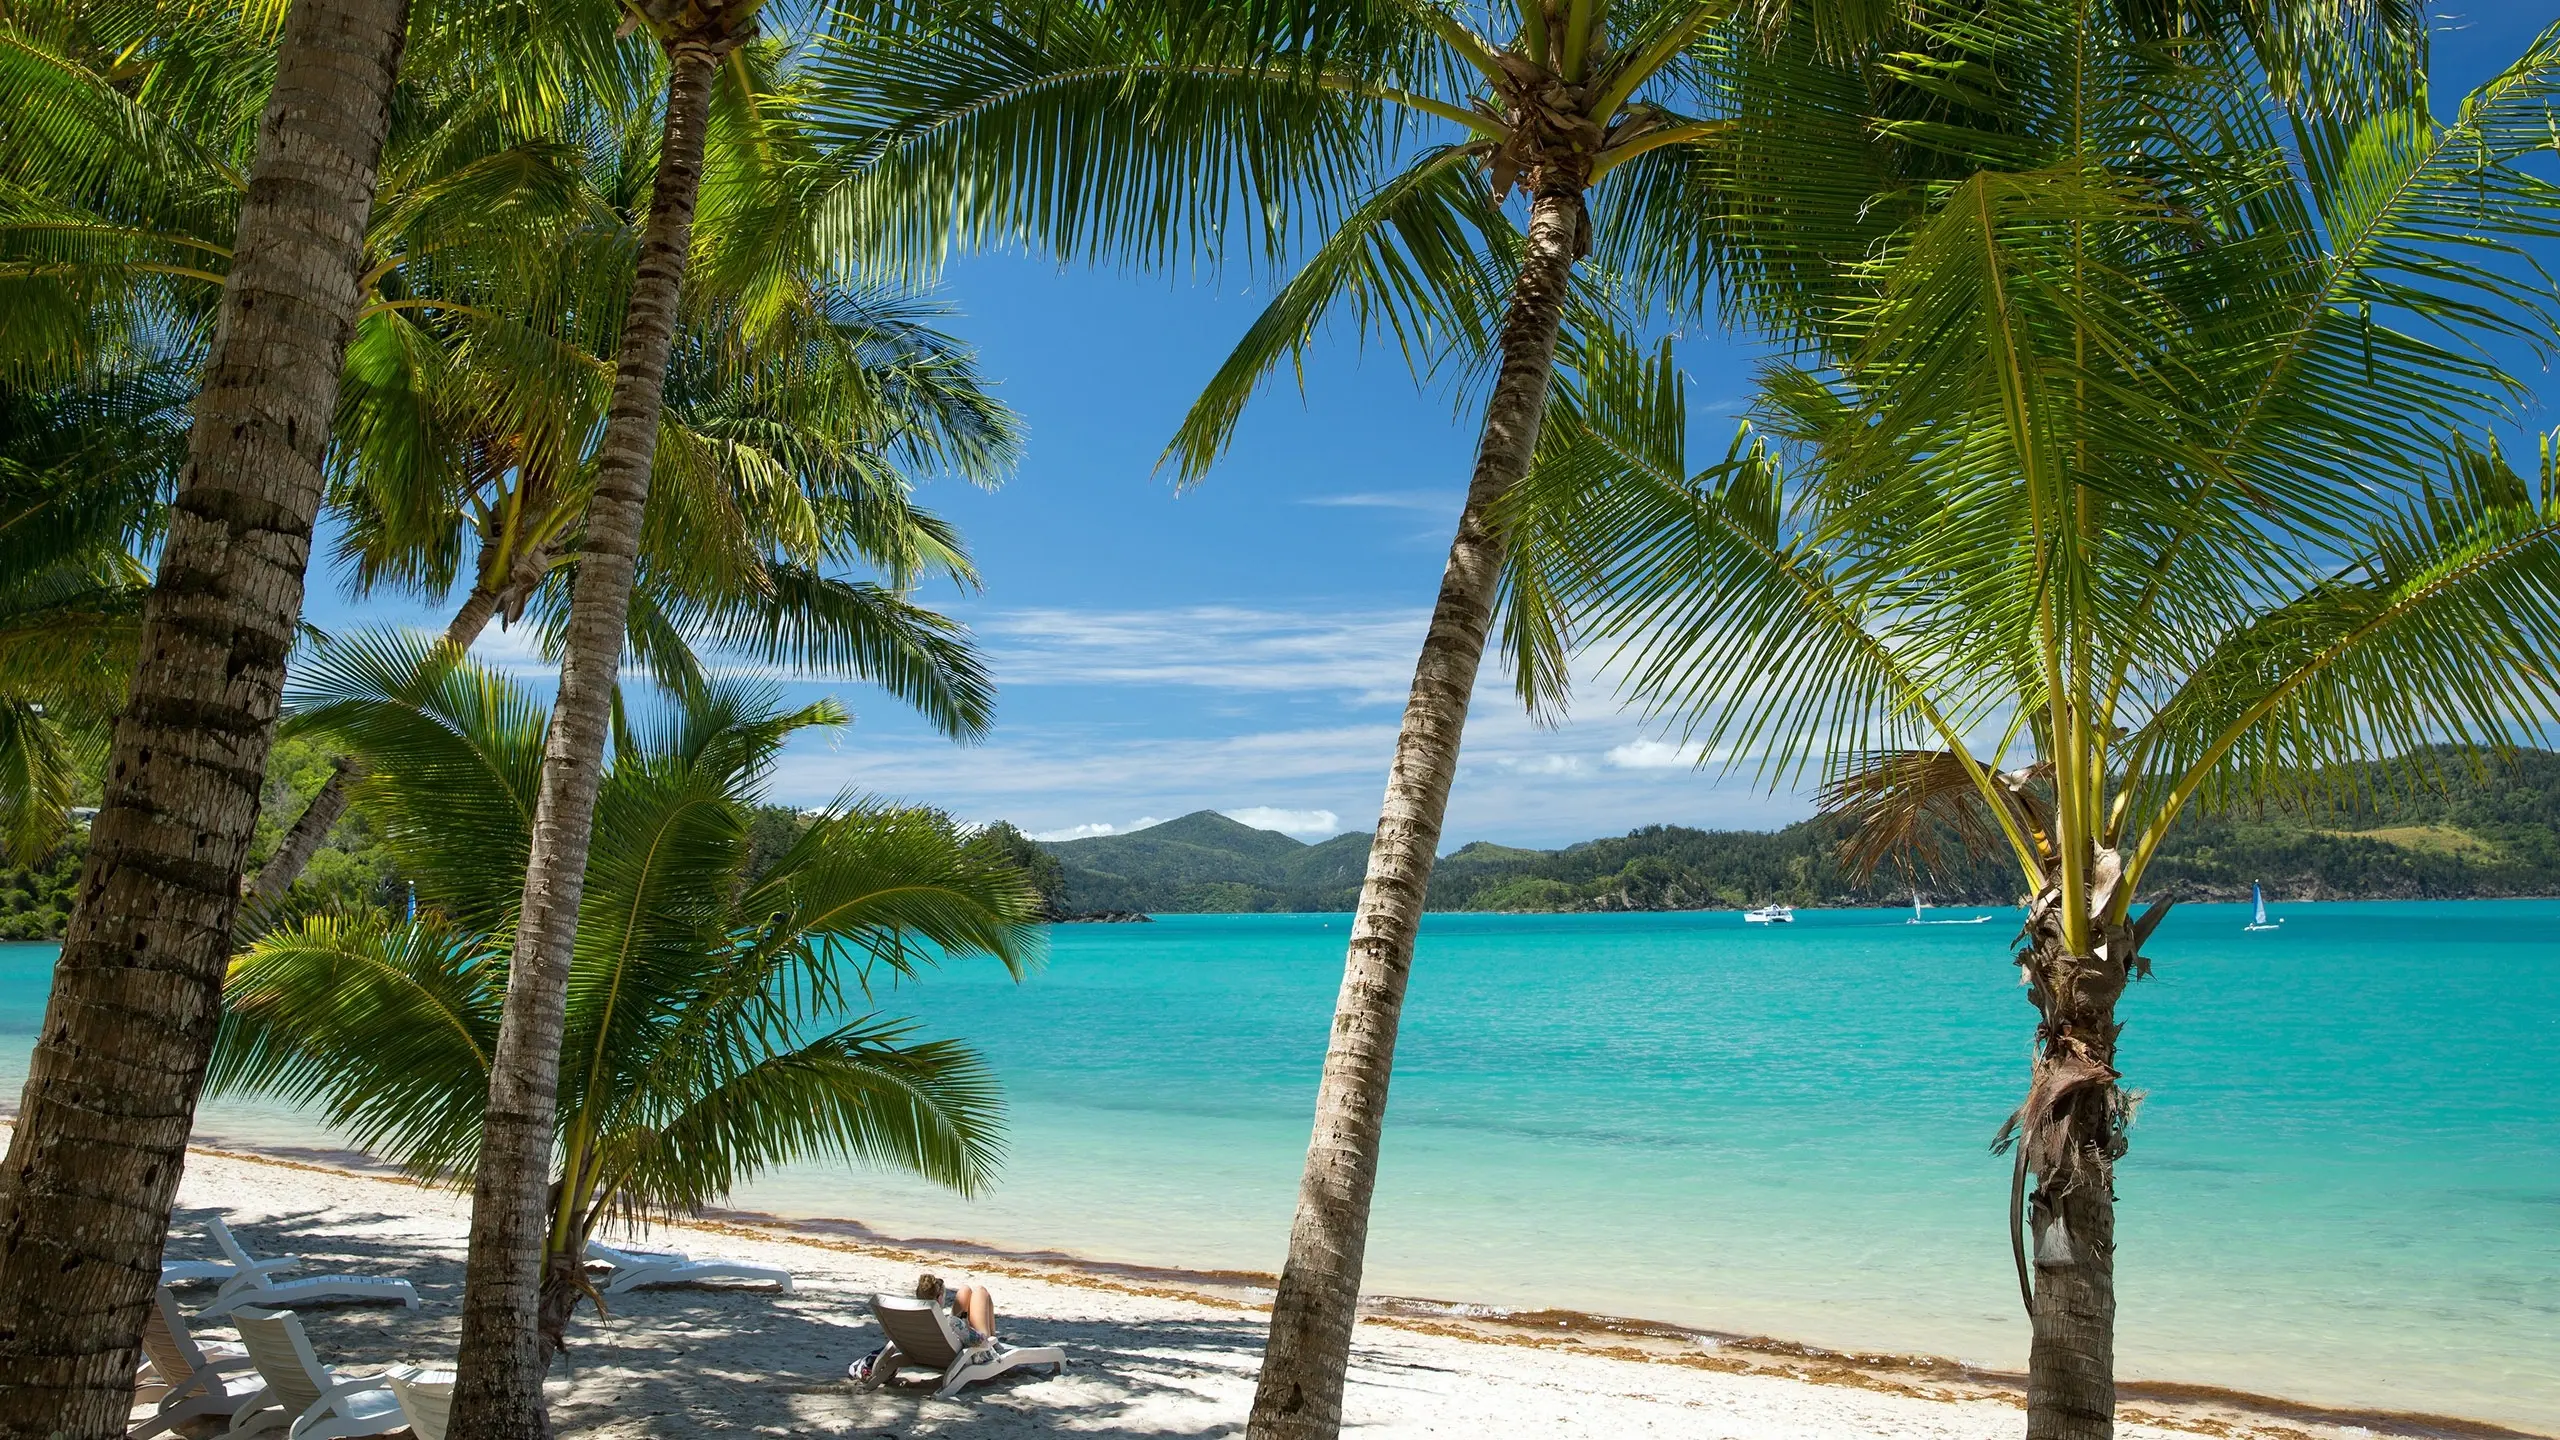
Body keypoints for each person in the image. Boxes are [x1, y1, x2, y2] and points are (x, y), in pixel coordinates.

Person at [916, 1272, 997, 1346]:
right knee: (980, 1291)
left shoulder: (913, 1320)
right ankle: (994, 1339)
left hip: (927, 1356)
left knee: (965, 1290)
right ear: (940, 1298)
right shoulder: (953, 1323)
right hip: (970, 1355)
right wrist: (968, 1328)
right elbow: (981, 1342)